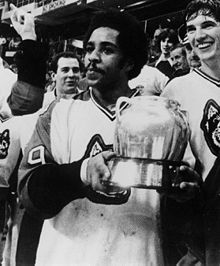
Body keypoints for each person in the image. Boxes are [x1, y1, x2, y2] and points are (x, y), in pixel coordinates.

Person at [15, 9, 178, 266]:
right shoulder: (59, 113)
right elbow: (29, 194)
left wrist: (184, 193)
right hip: (67, 257)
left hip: (137, 256)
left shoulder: (160, 117)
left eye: (106, 50)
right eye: (89, 48)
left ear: (129, 62)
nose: (91, 57)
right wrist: (81, 172)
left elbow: (177, 207)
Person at [161, 0, 220, 264]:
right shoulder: (178, 90)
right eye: (191, 29)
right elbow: (176, 172)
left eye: (208, 25)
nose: (198, 36)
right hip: (208, 224)